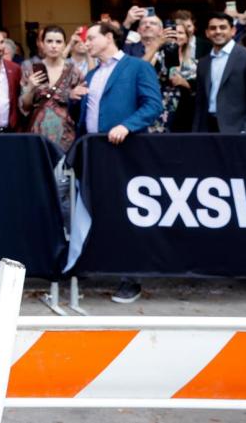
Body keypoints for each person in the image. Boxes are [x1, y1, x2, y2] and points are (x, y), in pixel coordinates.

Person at [76, 21, 163, 305]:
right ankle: (101, 266)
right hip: (93, 150)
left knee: (128, 212)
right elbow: (88, 113)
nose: (86, 43)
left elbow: (153, 105)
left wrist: (127, 126)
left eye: (92, 38)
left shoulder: (137, 67)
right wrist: (74, 98)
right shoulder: (91, 74)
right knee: (99, 209)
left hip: (124, 150)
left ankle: (131, 276)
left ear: (109, 37)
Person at [193, 13, 246, 133]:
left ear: (233, 31)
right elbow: (200, 102)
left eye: (223, 27)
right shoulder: (203, 62)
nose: (217, 31)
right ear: (207, 33)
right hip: (207, 130)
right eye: (213, 28)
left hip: (237, 130)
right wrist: (196, 132)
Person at [20, 26, 82, 150]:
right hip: (38, 131)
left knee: (63, 168)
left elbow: (81, 108)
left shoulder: (73, 71)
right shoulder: (31, 69)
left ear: (65, 45)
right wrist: (31, 87)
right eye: (49, 41)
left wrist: (73, 96)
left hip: (66, 133)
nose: (54, 46)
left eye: (58, 42)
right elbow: (25, 107)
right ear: (42, 44)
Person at [151, 22, 197, 133]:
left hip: (183, 112)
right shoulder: (157, 57)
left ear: (187, 39)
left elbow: (198, 89)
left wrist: (184, 82)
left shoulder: (194, 63)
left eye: (180, 33)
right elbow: (143, 70)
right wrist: (158, 46)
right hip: (157, 108)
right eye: (173, 33)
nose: (176, 35)